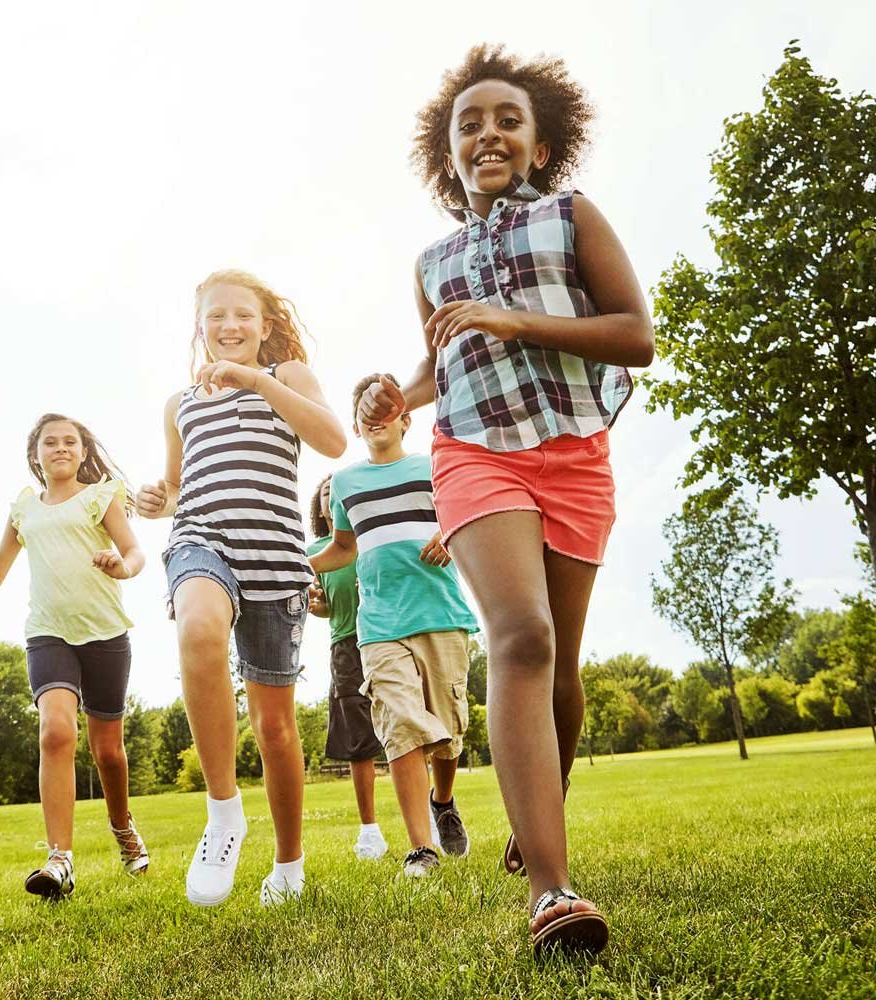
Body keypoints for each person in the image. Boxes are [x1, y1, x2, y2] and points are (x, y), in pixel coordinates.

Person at [359, 45, 654, 951]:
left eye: (507, 121)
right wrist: (397, 396)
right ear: (447, 153)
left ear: (539, 142)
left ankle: (537, 829)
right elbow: (443, 360)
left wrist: (514, 316)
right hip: (475, 452)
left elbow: (635, 337)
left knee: (560, 663)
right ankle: (555, 894)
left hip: (572, 451)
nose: (488, 134)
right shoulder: (432, 258)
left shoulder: (572, 216)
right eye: (469, 124)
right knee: (519, 636)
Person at [136, 269, 346, 907]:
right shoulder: (179, 404)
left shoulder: (287, 378)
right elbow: (176, 486)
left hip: (276, 559)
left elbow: (333, 440)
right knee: (198, 627)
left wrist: (257, 381)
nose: (229, 327)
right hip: (204, 540)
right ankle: (223, 810)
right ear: (199, 327)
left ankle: (288, 863)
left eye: (243, 316)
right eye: (216, 317)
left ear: (265, 324)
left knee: (275, 726)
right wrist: (157, 497)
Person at [0, 414, 149, 901]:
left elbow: (135, 551)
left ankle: (122, 828)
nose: (60, 448)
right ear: (36, 454)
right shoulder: (23, 510)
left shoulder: (100, 496)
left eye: (69, 441)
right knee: (55, 732)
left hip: (105, 634)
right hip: (48, 634)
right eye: (49, 442)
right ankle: (60, 860)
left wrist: (123, 567)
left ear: (82, 451)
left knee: (108, 753)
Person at [310, 374, 479, 880]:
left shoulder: (433, 466)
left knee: (448, 734)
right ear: (358, 424)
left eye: (387, 410)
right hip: (380, 624)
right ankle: (420, 849)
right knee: (401, 727)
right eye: (365, 411)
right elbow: (343, 547)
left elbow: (469, 517)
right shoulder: (345, 482)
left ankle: (442, 801)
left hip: (441, 613)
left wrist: (449, 534)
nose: (376, 419)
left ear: (407, 419)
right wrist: (296, 564)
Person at [306, 474, 387, 861]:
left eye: (337, 492)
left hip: (389, 636)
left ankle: (429, 814)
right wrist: (318, 607)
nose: (331, 498)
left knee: (411, 728)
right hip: (345, 645)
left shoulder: (375, 537)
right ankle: (369, 831)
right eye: (325, 494)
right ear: (322, 508)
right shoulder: (316, 551)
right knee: (359, 743)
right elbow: (321, 604)